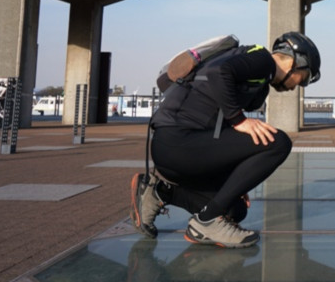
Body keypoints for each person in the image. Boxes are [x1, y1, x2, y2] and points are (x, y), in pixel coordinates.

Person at [130, 31, 321, 248]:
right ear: (296, 64)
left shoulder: (258, 76)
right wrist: (239, 120)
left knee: (234, 209)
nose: (296, 86)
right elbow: (217, 72)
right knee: (278, 143)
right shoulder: (263, 60)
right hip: (180, 143)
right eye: (303, 79)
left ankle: (159, 192)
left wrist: (238, 180)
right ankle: (205, 222)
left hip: (176, 148)